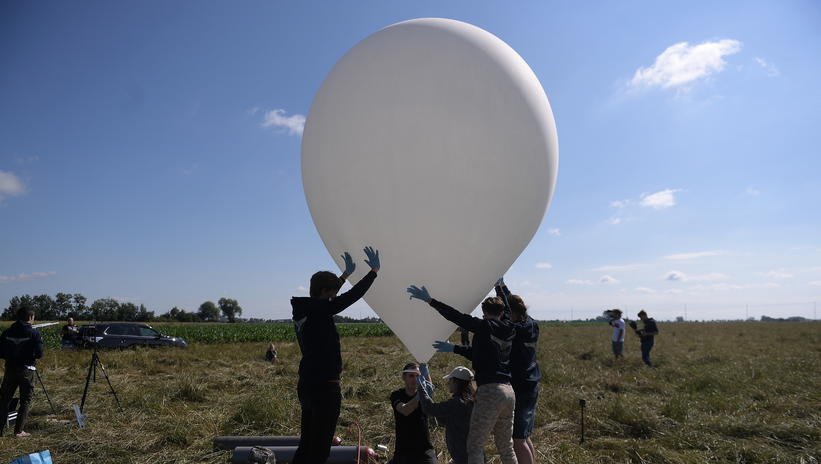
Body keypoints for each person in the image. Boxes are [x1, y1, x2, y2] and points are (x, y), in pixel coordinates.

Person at [407, 284, 518, 464]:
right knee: (506, 446)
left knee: (474, 446)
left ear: (484, 312)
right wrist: (500, 287)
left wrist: (430, 300)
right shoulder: (510, 328)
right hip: (509, 391)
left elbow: (456, 317)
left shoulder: (484, 326)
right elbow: (479, 353)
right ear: (502, 312)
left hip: (490, 391)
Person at [291, 246, 380, 464]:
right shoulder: (319, 310)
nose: (334, 297)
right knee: (320, 449)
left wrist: (344, 276)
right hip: (325, 388)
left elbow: (331, 298)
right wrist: (373, 272)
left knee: (307, 444)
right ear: (323, 293)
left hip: (307, 385)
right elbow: (349, 298)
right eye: (331, 294)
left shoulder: (306, 310)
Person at [417, 365, 477, 464]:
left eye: (450, 381)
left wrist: (421, 388)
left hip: (463, 457)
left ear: (456, 382)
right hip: (472, 453)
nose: (447, 383)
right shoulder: (472, 401)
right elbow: (447, 420)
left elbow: (429, 408)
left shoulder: (456, 403)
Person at [0, 307, 44, 438]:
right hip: (27, 370)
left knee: (4, 400)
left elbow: (0, 352)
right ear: (30, 317)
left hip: (10, 370)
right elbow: (40, 354)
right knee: (25, 400)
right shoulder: (34, 333)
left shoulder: (7, 332)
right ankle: (19, 431)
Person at [388, 362, 437, 464]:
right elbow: (405, 410)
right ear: (403, 377)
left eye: (418, 376)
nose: (415, 379)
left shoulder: (425, 397)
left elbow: (430, 390)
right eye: (411, 376)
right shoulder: (396, 395)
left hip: (424, 450)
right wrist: (420, 394)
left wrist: (425, 367)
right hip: (403, 450)